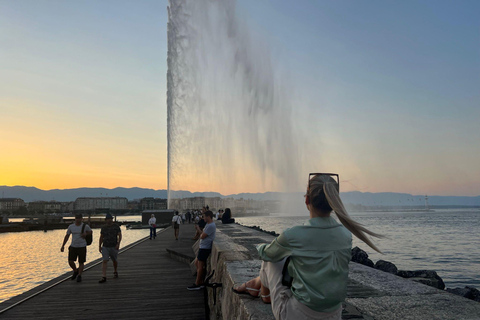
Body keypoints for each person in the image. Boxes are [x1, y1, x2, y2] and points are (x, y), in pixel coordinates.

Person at [233, 173, 383, 320]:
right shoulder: (345, 235)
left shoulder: (294, 235)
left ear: (307, 200)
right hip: (334, 314)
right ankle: (257, 284)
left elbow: (267, 254)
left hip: (297, 314)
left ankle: (262, 292)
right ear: (333, 202)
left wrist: (260, 246)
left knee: (271, 260)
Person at [187, 210, 216, 290]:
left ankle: (197, 284)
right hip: (203, 247)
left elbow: (202, 236)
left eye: (204, 217)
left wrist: (198, 229)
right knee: (197, 263)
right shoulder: (208, 224)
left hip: (205, 248)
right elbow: (203, 233)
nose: (203, 218)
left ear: (208, 217)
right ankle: (201, 281)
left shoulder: (211, 226)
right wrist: (201, 231)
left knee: (200, 266)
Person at [60, 213, 93, 283]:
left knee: (81, 262)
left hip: (82, 246)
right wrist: (63, 245)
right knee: (70, 261)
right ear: (75, 218)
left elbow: (90, 232)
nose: (78, 220)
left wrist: (85, 234)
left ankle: (79, 275)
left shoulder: (85, 226)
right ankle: (75, 270)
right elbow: (67, 236)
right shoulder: (71, 227)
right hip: (73, 246)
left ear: (81, 219)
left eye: (79, 218)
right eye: (77, 218)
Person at [98, 213, 122, 283]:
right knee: (105, 260)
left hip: (113, 246)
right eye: (108, 219)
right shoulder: (104, 227)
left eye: (110, 219)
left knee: (114, 260)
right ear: (106, 220)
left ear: (112, 219)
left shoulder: (116, 226)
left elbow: (119, 235)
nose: (109, 220)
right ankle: (104, 276)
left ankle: (115, 271)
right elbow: (101, 237)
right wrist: (99, 246)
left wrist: (118, 244)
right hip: (105, 246)